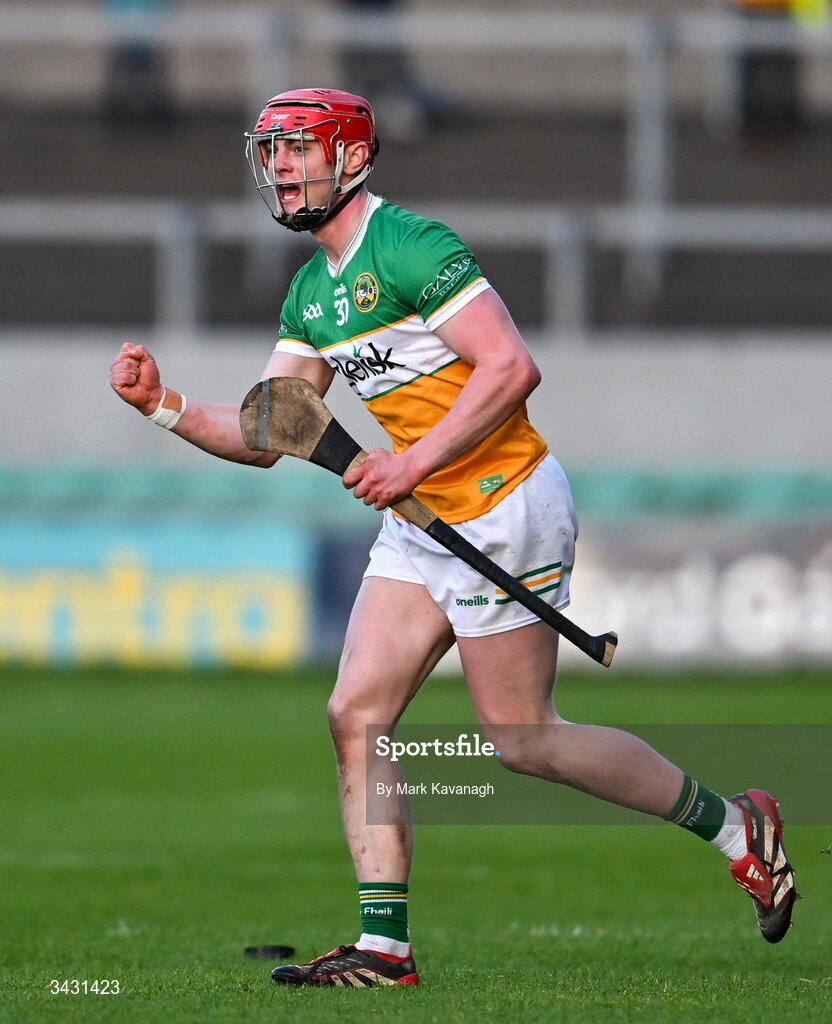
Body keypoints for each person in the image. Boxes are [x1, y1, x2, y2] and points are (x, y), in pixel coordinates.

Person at [109, 88, 798, 988]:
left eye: (297, 149)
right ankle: (385, 949)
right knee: (355, 712)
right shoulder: (313, 293)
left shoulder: (412, 248)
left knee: (524, 740)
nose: (278, 167)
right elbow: (271, 430)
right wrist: (162, 406)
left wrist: (409, 461)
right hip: (420, 521)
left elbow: (513, 367)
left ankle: (737, 825)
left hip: (503, 503)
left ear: (351, 160)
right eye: (270, 150)